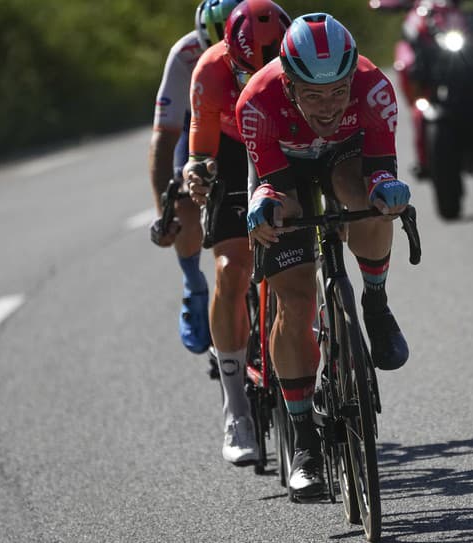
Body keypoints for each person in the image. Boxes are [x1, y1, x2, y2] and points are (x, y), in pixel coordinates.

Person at [229, 13, 412, 498]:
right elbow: (273, 185)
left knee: (366, 200)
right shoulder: (257, 103)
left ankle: (375, 304)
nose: (328, 106)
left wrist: (388, 190)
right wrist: (264, 209)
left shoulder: (373, 90)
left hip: (346, 158)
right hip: (283, 168)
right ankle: (305, 436)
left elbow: (379, 169)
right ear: (288, 83)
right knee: (292, 298)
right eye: (313, 94)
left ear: (352, 77)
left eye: (338, 91)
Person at [148, 0, 259, 464]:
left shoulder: (265, 35)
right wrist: (164, 212)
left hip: (262, 128)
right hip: (205, 135)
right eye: (214, 47)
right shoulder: (188, 56)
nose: (226, 58)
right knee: (187, 203)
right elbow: (166, 138)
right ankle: (195, 286)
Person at [182, 0, 291, 465]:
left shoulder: (299, 53)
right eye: (250, 72)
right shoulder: (210, 70)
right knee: (231, 268)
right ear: (231, 54)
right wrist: (197, 174)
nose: (261, 81)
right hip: (231, 149)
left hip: (288, 139)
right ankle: (236, 409)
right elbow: (199, 151)